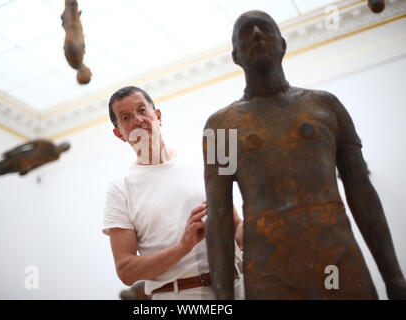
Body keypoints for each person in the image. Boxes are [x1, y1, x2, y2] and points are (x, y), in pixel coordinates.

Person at [203, 10, 406, 299]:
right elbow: (219, 218)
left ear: (283, 44)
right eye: (246, 32)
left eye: (265, 28)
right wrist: (223, 298)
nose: (257, 35)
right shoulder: (221, 126)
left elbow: (361, 192)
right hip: (271, 276)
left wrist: (394, 276)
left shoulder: (326, 105)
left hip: (338, 263)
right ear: (235, 56)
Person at [102, 86, 244, 299]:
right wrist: (183, 246)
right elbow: (126, 270)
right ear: (119, 133)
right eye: (126, 117)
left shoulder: (202, 164)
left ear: (157, 116)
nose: (138, 120)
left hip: (238, 287)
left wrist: (259, 218)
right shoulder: (120, 190)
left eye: (142, 110)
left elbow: (237, 228)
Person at [0, 139, 70, 189]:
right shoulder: (47, 144)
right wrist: (12, 151)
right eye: (63, 146)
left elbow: (40, 164)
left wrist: (29, 170)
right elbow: (27, 144)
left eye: (64, 149)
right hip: (19, 158)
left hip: (23, 166)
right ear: (60, 144)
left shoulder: (55, 157)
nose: (62, 149)